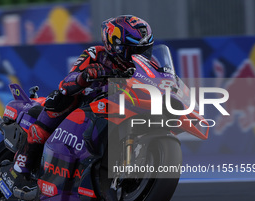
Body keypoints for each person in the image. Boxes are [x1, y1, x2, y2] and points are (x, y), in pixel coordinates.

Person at [13, 15, 154, 182]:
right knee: (60, 99)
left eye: (145, 50)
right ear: (114, 45)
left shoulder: (147, 66)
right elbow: (66, 83)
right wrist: (85, 76)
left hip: (118, 111)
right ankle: (23, 164)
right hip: (85, 107)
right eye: (133, 50)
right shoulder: (96, 54)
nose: (140, 56)